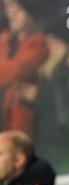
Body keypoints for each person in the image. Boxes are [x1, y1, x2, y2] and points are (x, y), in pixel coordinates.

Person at [0, 0, 48, 136]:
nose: (11, 14)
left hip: (22, 126)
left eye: (17, 9)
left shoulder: (39, 44)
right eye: (9, 8)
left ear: (31, 13)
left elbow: (15, 71)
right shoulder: (6, 41)